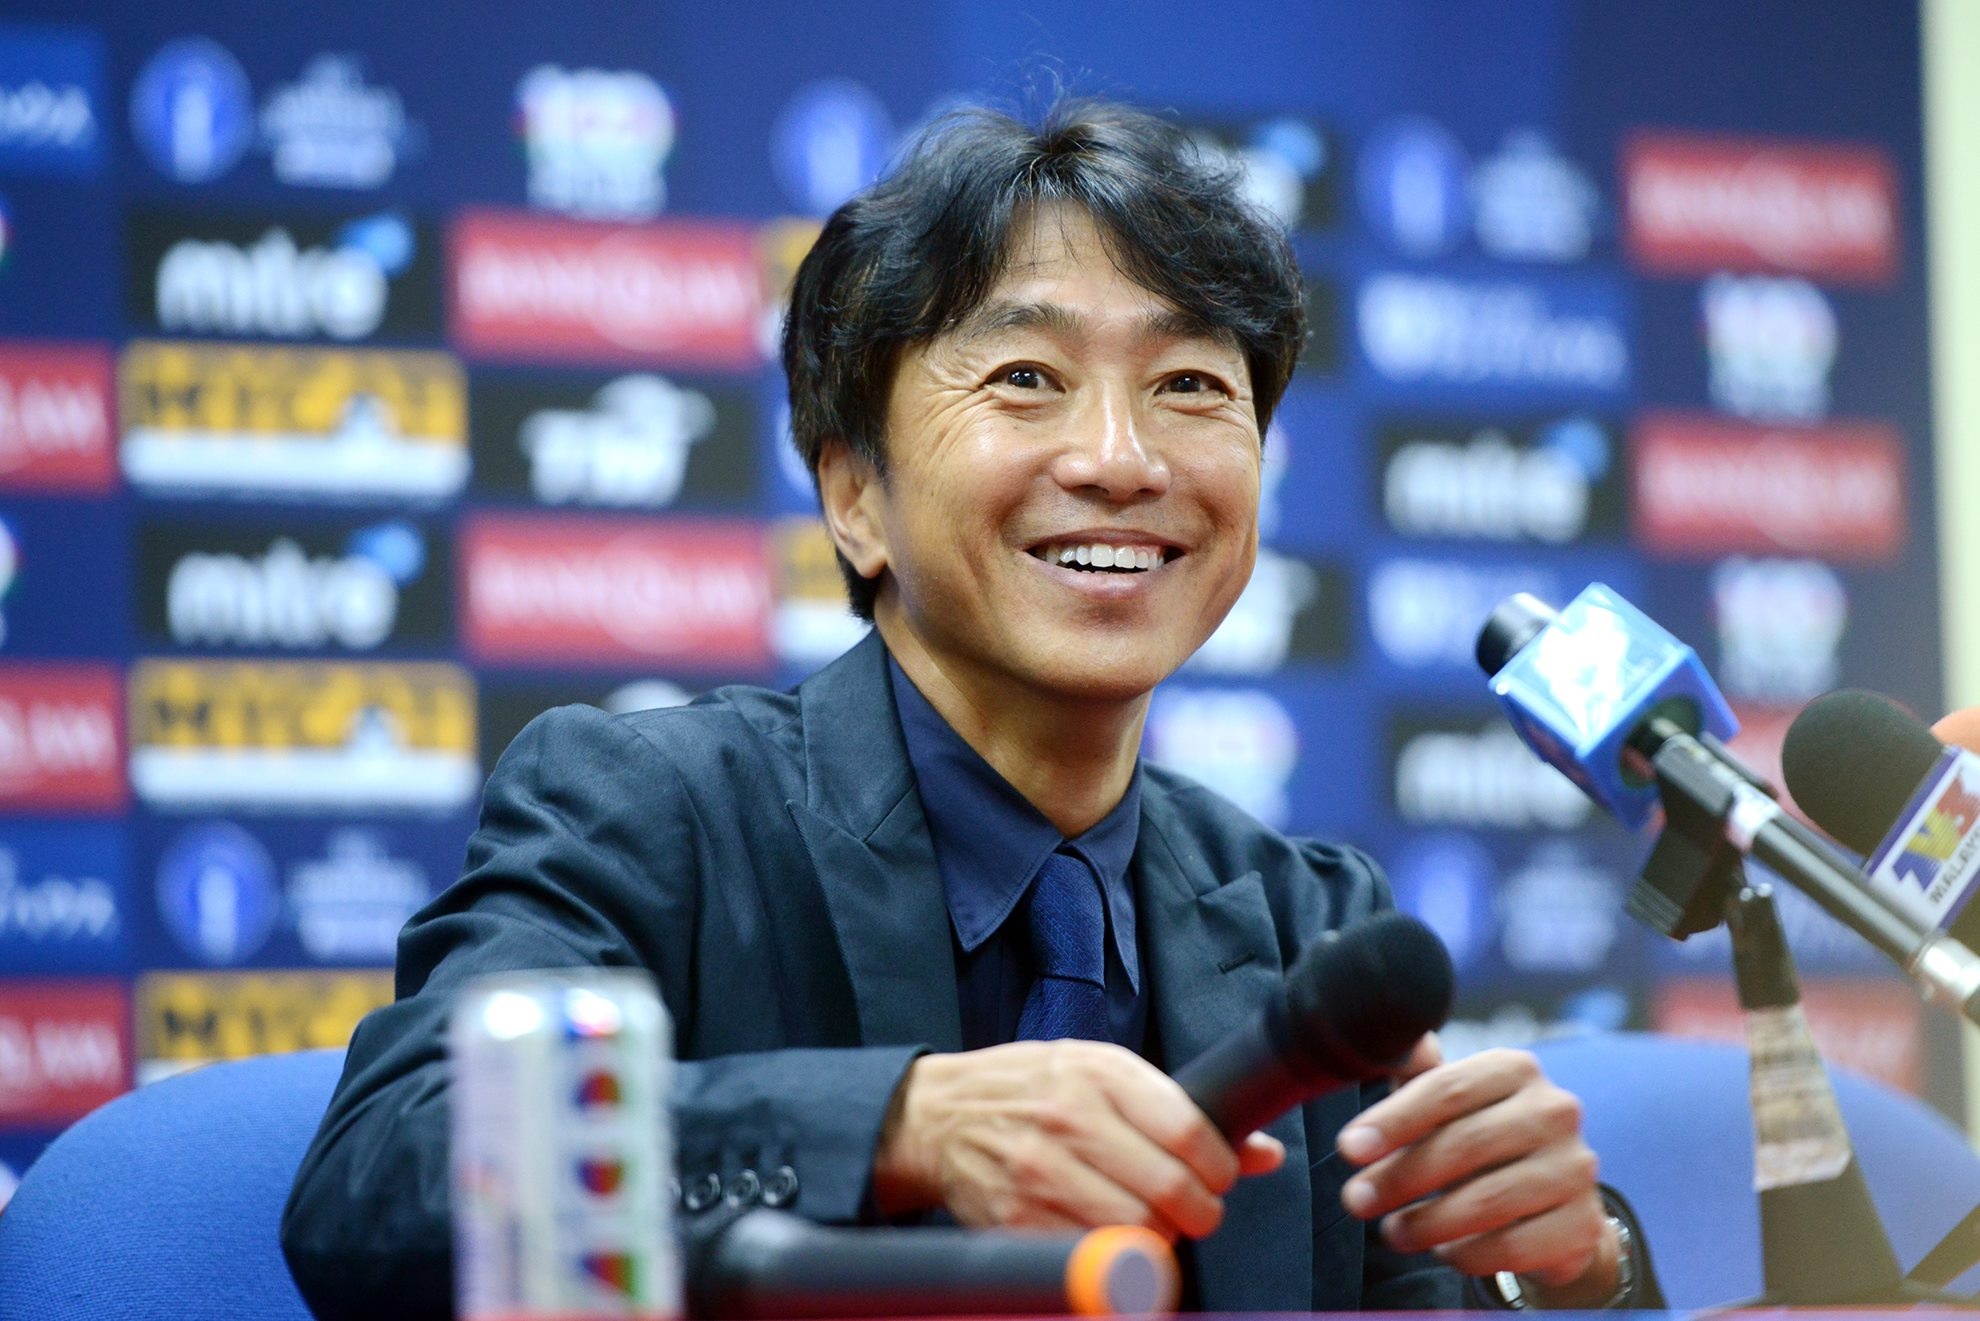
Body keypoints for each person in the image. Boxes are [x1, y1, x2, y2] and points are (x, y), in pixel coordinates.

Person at [282, 98, 1661, 1316]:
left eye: (1190, 386)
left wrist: (1571, 1272)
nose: (1120, 460)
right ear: (855, 495)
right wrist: (904, 1123)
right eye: (1026, 380)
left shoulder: (1312, 921)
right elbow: (391, 1177)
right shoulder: (653, 811)